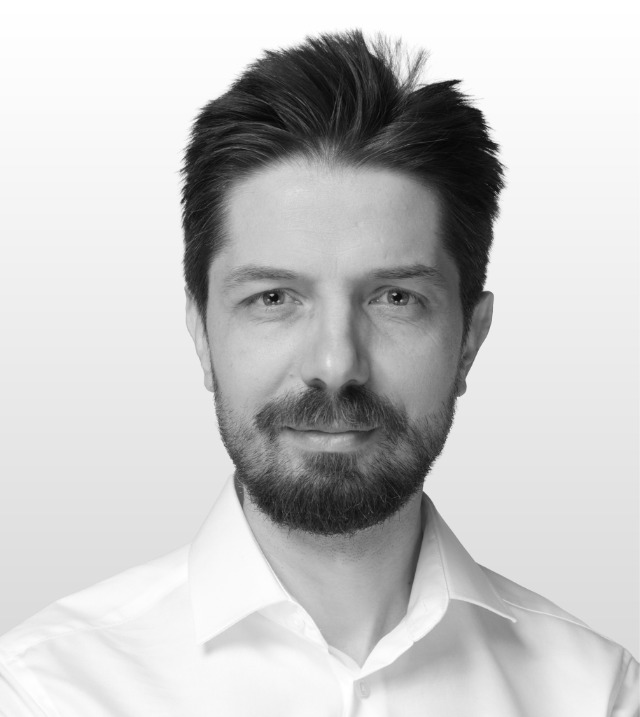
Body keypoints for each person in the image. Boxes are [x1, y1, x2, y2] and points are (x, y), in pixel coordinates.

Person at [0, 29, 637, 716]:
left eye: (396, 298)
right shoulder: (45, 692)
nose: (335, 365)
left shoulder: (596, 692)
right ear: (202, 334)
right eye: (273, 298)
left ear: (469, 341)